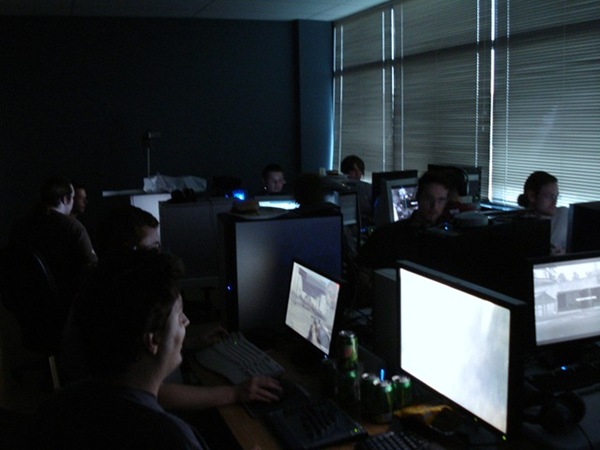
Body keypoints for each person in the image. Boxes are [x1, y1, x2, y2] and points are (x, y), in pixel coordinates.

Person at [65, 204, 282, 412]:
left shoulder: (101, 290)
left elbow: (142, 351)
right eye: (152, 249)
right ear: (127, 253)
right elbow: (154, 392)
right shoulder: (112, 306)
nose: (159, 256)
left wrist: (183, 342)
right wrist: (233, 393)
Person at [31, 250, 207, 449]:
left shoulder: (56, 407)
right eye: (179, 315)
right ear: (153, 340)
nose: (186, 321)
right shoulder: (172, 438)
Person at [9, 176, 97, 316]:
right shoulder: (73, 228)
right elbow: (92, 267)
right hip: (65, 307)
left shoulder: (20, 226)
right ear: (65, 199)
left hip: (26, 307)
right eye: (72, 198)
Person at [356, 171, 450, 270]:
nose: (434, 206)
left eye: (440, 200)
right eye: (429, 198)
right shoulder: (387, 235)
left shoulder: (447, 241)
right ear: (418, 197)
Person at [517, 171, 568, 255]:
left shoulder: (564, 215)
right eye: (549, 196)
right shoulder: (519, 226)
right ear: (532, 196)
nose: (555, 202)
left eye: (556, 196)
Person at [340, 155, 372, 225]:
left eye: (359, 170)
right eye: (353, 171)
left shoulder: (367, 188)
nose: (358, 174)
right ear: (345, 173)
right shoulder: (340, 188)